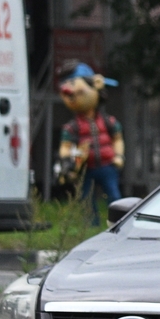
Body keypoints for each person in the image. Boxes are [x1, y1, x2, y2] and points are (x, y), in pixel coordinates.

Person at [57, 63, 124, 212]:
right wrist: (68, 163)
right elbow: (65, 147)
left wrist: (119, 156)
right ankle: (90, 227)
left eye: (73, 83)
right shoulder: (72, 127)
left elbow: (117, 139)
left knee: (114, 196)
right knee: (86, 200)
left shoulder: (108, 122)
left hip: (108, 166)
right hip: (85, 169)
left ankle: (119, 221)